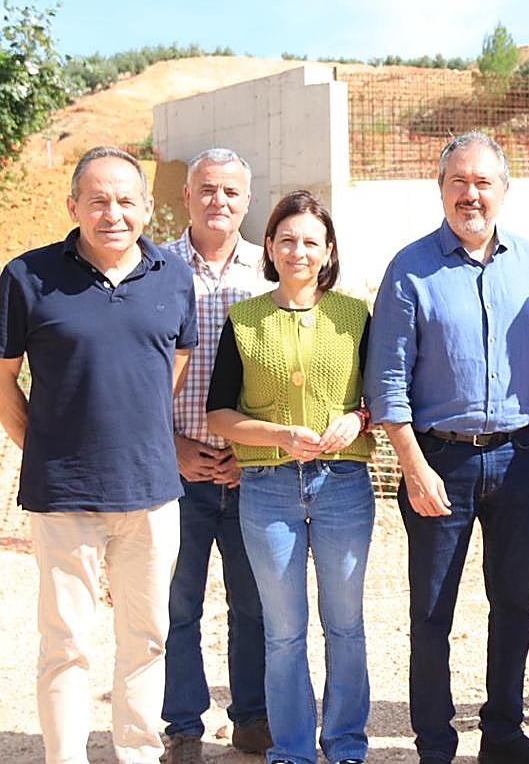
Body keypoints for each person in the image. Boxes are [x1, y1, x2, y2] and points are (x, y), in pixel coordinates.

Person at [365, 131, 529, 764]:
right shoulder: (409, 268)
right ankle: (434, 743)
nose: (470, 194)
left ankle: (504, 734)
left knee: (515, 602)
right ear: (440, 189)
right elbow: (388, 380)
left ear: (504, 191)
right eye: (458, 181)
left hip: (518, 457)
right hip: (439, 462)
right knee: (432, 611)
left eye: (483, 182)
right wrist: (414, 466)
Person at [0, 146, 197, 763]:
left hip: (151, 494)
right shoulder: (26, 277)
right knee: (65, 644)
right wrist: (47, 445)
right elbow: (3, 378)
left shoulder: (173, 275)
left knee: (147, 637)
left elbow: (176, 364)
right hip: (64, 498)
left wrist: (133, 433)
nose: (113, 213)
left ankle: (137, 754)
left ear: (147, 208)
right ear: (74, 206)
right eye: (98, 200)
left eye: (125, 200)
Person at [207, 191, 374, 764]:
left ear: (328, 251)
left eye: (310, 241)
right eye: (286, 239)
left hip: (344, 486)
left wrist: (355, 418)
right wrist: (277, 436)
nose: (298, 250)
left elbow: (379, 399)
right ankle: (293, 751)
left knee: (345, 625)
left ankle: (346, 744)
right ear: (270, 248)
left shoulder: (354, 316)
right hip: (268, 490)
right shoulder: (244, 319)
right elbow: (219, 414)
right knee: (283, 633)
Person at [161, 148, 271, 763]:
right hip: (174, 466)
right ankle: (182, 726)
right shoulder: (155, 267)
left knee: (252, 603)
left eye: (231, 191)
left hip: (250, 470)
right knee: (178, 604)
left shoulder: (270, 269)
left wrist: (250, 450)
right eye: (207, 189)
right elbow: (139, 370)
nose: (218, 202)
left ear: (247, 200)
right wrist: (171, 445)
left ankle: (252, 718)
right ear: (186, 195)